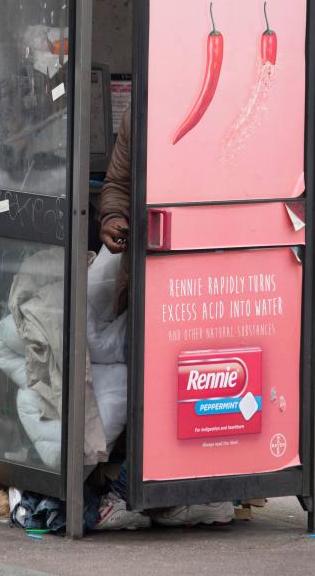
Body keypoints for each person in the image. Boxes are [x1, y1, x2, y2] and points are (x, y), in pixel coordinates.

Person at [94, 105, 234, 531]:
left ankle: (160, 491)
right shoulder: (144, 110)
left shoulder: (225, 105)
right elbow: (119, 183)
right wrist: (114, 217)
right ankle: (154, 492)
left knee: (195, 381)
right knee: (154, 379)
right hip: (153, 269)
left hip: (212, 270)